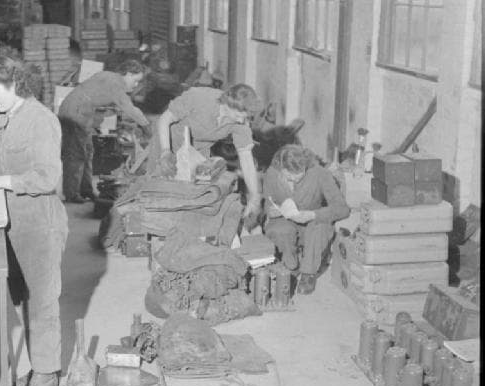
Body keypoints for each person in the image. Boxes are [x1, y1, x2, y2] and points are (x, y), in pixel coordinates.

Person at [0, 55, 68, 386]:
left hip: (40, 223)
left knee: (43, 301)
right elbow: (10, 167)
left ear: (15, 85)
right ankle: (38, 365)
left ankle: (46, 373)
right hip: (14, 220)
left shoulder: (41, 120)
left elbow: (46, 177)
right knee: (23, 297)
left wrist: (3, 181)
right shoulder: (8, 117)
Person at [150, 82, 263, 224]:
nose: (241, 121)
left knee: (194, 197)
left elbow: (246, 159)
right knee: (156, 192)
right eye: (238, 115)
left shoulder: (241, 125)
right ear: (228, 103)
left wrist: (254, 195)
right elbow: (164, 119)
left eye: (245, 117)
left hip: (198, 153)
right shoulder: (199, 97)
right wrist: (165, 152)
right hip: (167, 144)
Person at [58, 59, 150, 203]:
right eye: (136, 80)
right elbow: (129, 107)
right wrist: (146, 126)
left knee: (88, 152)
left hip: (80, 112)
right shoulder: (115, 83)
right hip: (75, 113)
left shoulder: (109, 77)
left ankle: (86, 190)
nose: (136, 85)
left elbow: (99, 99)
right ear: (129, 74)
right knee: (76, 154)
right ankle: (71, 194)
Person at [262, 143, 350, 294]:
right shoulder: (271, 173)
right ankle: (291, 266)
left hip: (311, 223)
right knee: (279, 230)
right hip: (285, 221)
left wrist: (314, 214)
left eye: (299, 175)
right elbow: (267, 203)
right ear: (281, 167)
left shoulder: (320, 174)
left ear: (305, 166)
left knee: (319, 228)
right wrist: (272, 211)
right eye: (288, 176)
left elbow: (342, 209)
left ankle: (308, 274)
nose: (294, 180)